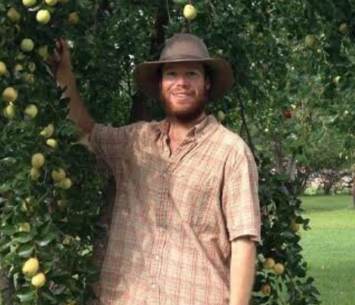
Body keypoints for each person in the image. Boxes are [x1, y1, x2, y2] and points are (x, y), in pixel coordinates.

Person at [47, 33, 260, 305]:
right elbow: (84, 131)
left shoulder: (231, 152)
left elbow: (243, 241)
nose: (181, 83)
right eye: (171, 74)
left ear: (206, 83)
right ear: (160, 85)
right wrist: (64, 70)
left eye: (191, 74)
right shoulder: (134, 142)